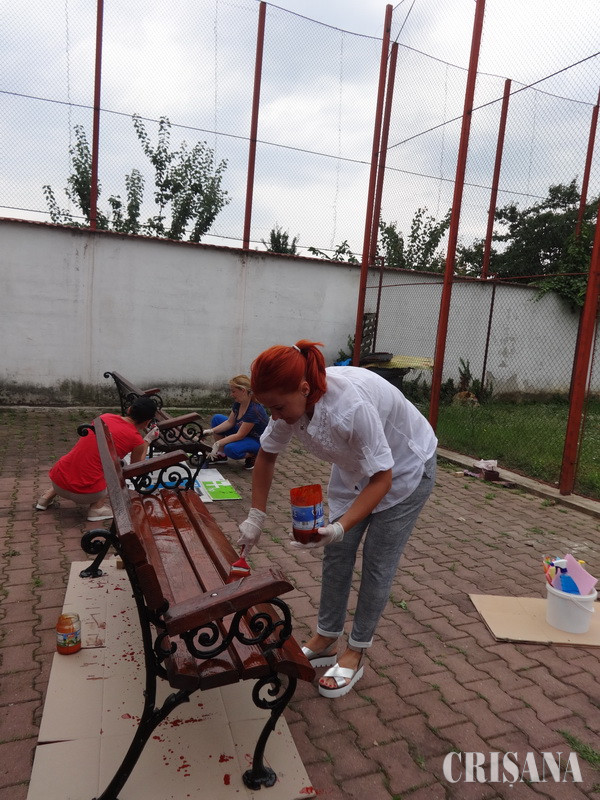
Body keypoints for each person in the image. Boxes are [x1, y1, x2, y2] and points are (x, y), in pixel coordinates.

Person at [238, 340, 437, 698]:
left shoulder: (350, 408)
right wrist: (256, 517)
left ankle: (356, 651)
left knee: (377, 562)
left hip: (404, 469)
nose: (275, 417)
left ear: (304, 389)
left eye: (278, 408)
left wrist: (340, 527)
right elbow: (266, 455)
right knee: (337, 554)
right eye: (269, 408)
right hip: (356, 470)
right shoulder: (289, 403)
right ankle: (326, 637)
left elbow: (383, 479)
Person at [35, 396, 159, 521]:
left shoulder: (104, 417)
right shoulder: (136, 440)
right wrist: (147, 440)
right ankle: (97, 508)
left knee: (84, 457)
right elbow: (136, 467)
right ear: (148, 421)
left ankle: (46, 498)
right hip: (87, 493)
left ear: (129, 409)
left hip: (58, 482)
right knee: (116, 467)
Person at [202, 375, 268, 470]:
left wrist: (218, 443)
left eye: (233, 391)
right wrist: (211, 431)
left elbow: (240, 435)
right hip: (244, 433)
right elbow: (230, 422)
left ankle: (253, 454)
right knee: (217, 419)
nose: (231, 394)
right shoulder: (238, 403)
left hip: (257, 440)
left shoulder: (254, 410)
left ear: (243, 391)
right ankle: (221, 455)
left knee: (230, 449)